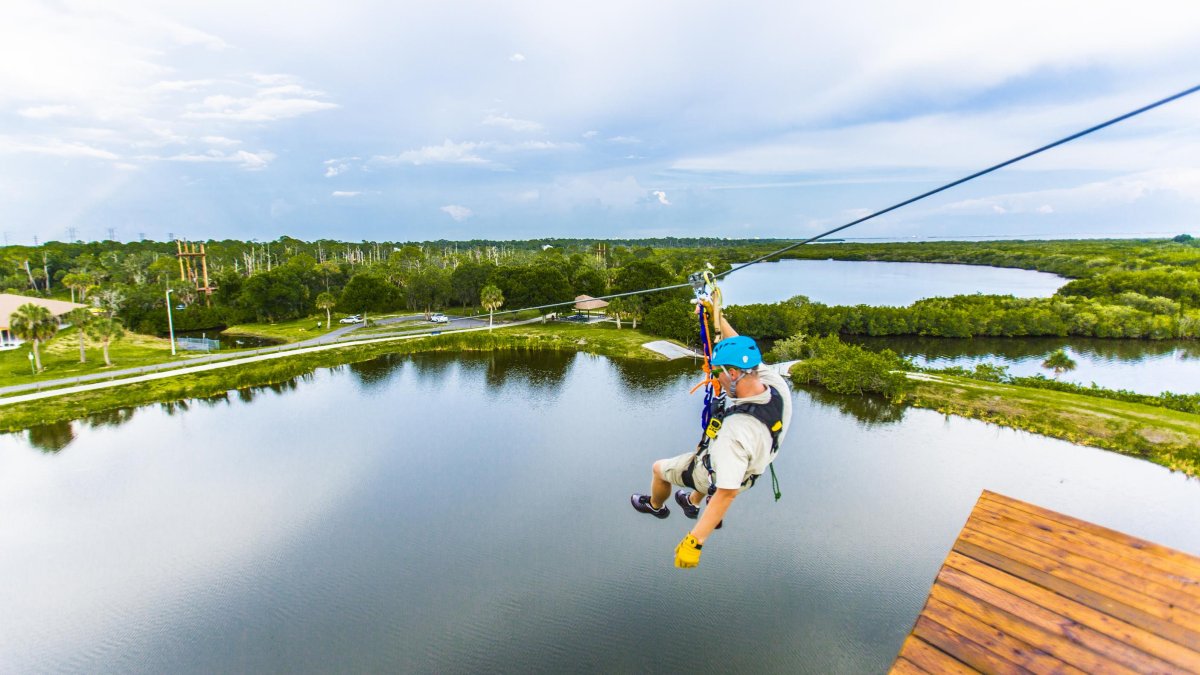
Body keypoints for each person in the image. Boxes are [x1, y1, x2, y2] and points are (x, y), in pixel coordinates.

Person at [630, 312, 792, 569]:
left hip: (725, 476)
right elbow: (739, 344)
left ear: (735, 373)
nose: (715, 378)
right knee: (709, 466)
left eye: (718, 372)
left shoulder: (735, 434)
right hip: (751, 467)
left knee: (661, 469)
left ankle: (655, 506)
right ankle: (692, 501)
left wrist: (695, 541)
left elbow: (726, 493)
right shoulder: (776, 386)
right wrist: (715, 315)